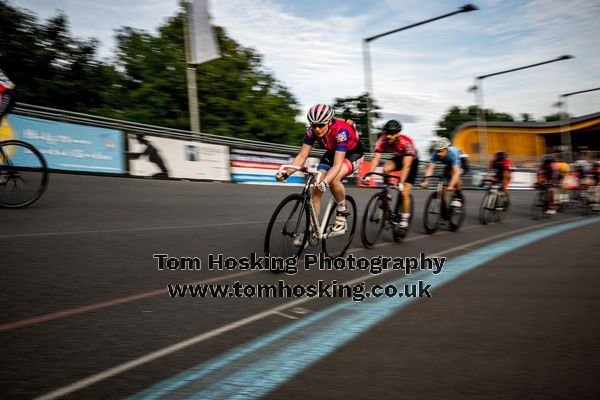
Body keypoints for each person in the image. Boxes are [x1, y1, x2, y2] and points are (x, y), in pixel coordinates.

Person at [277, 104, 364, 233]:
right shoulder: (311, 132)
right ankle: (312, 228)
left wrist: (326, 181)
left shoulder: (341, 131)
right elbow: (302, 156)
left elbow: (338, 164)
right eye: (314, 125)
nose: (317, 129)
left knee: (333, 179)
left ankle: (342, 210)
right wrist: (287, 173)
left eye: (321, 125)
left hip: (353, 153)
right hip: (332, 152)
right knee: (316, 187)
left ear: (329, 121)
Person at [362, 119, 418, 228]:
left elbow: (407, 166)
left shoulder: (406, 143)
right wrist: (369, 174)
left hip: (411, 162)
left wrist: (401, 182)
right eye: (387, 133)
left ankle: (405, 220)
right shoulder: (382, 140)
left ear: (398, 134)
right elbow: (376, 159)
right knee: (385, 169)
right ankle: (387, 194)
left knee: (404, 192)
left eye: (392, 133)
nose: (389, 136)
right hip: (398, 158)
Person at [420, 137, 465, 208]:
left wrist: (451, 185)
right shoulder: (435, 154)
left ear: (446, 150)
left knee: (454, 175)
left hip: (461, 162)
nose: (438, 154)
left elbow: (456, 172)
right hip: (449, 165)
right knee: (444, 183)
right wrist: (425, 181)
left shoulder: (452, 155)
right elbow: (430, 169)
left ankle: (458, 196)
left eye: (440, 151)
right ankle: (444, 211)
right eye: (437, 151)